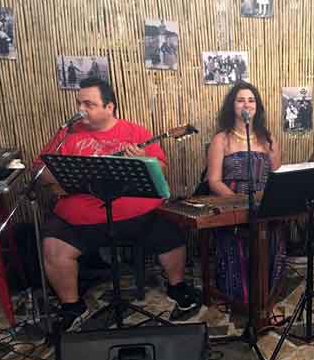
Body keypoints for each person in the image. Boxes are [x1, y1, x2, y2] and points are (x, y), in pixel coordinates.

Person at [36, 77, 198, 332]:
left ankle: (177, 287)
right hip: (81, 216)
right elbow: (40, 171)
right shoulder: (67, 134)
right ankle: (72, 306)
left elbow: (161, 170)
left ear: (109, 107)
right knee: (53, 244)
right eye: (79, 103)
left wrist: (145, 160)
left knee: (170, 232)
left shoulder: (136, 132)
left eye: (89, 104)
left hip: (135, 213)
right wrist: (65, 173)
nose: (81, 110)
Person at [206, 81, 286, 302]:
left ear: (257, 107)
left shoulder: (268, 139)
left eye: (251, 100)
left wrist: (269, 201)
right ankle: (239, 296)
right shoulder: (221, 139)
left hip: (264, 203)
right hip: (231, 202)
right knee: (236, 240)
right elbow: (214, 181)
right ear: (232, 106)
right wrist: (238, 202)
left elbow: (277, 176)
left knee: (272, 233)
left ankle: (267, 294)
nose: (246, 104)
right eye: (240, 100)